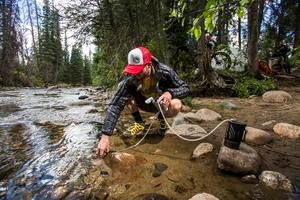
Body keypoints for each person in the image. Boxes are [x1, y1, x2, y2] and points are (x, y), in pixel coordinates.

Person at [96, 46, 190, 157]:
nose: (135, 75)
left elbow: (185, 88)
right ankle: (140, 123)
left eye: (138, 71)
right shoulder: (131, 79)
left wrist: (170, 93)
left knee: (176, 104)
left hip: (161, 105)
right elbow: (115, 105)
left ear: (149, 65)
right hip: (142, 104)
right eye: (133, 71)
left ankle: (161, 121)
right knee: (123, 93)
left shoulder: (165, 72)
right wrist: (105, 136)